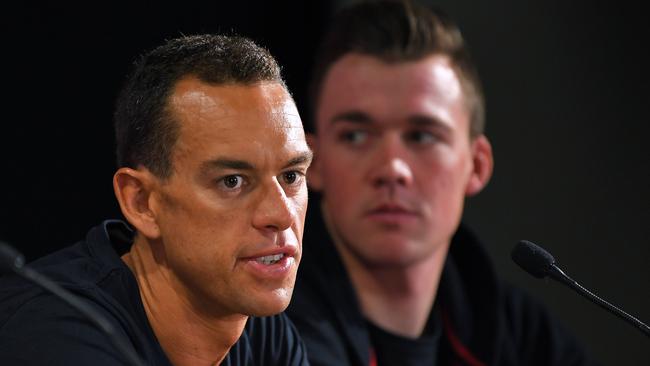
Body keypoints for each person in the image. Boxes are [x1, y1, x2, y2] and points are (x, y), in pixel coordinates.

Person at [286, 1, 599, 365]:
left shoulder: (521, 336)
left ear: (477, 166)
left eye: (421, 136)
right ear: (313, 163)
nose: (392, 168)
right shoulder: (266, 329)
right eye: (355, 136)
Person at [0, 34, 312, 366]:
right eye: (232, 182)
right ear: (142, 202)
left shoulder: (262, 330)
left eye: (291, 176)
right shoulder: (53, 334)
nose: (280, 213)